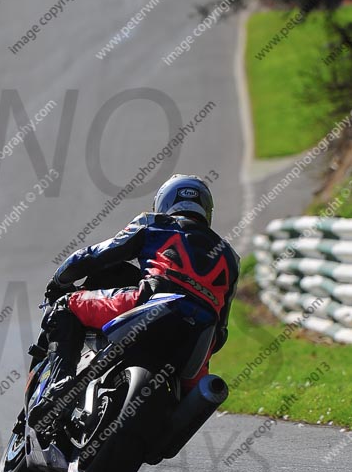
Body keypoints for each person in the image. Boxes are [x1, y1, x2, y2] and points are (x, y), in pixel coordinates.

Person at [29, 174, 240, 426]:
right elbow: (223, 330)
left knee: (65, 306)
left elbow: (95, 256)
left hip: (149, 304)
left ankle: (60, 384)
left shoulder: (153, 222)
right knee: (193, 397)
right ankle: (166, 432)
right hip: (201, 335)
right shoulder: (231, 257)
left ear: (164, 202)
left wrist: (60, 280)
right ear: (206, 209)